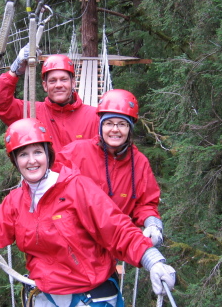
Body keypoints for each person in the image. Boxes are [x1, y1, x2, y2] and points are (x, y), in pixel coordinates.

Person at [0, 118, 175, 307]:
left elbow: (116, 229)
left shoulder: (77, 189)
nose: (32, 160)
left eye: (38, 152)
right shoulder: (17, 201)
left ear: (49, 155)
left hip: (90, 297)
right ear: (15, 162)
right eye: (23, 155)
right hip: (46, 297)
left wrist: (152, 260)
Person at [55, 89, 163, 247]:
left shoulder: (139, 163)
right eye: (109, 123)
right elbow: (49, 183)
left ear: (130, 129)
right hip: (74, 245)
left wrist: (153, 223)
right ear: (100, 126)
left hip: (112, 247)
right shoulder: (76, 152)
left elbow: (145, 203)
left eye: (122, 124)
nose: (115, 129)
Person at [0, 44, 99, 152]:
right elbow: (0, 103)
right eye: (52, 81)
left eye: (64, 79)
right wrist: (15, 71)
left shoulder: (94, 117)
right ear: (45, 86)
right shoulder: (32, 113)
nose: (58, 85)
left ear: (73, 83)